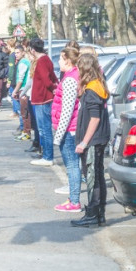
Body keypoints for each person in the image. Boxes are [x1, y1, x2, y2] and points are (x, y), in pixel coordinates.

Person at [71, 53, 111, 227]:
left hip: (93, 140)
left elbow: (94, 118)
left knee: (92, 177)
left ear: (84, 69)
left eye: (79, 68)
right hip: (98, 139)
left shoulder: (92, 90)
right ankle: (99, 213)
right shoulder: (96, 85)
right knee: (98, 176)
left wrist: (84, 142)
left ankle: (93, 214)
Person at [51, 47, 82, 213]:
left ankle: (75, 201)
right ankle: (72, 198)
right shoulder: (71, 76)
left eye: (61, 58)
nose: (58, 61)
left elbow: (67, 110)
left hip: (69, 130)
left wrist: (58, 135)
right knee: (72, 165)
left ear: (68, 61)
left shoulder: (70, 79)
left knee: (72, 166)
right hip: (69, 129)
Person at [29, 38, 58, 167]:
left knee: (44, 129)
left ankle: (47, 156)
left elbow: (47, 81)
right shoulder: (47, 59)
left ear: (32, 50)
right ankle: (47, 155)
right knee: (44, 129)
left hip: (42, 99)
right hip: (44, 99)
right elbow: (53, 76)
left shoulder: (41, 61)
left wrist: (53, 88)